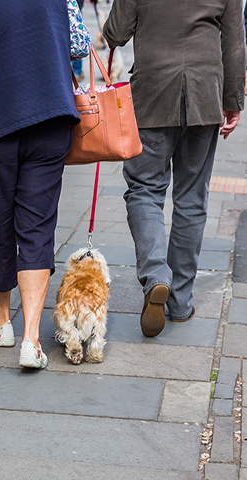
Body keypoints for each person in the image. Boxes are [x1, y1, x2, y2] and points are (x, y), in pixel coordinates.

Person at [0, 0, 90, 368]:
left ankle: (1, 323)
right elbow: (78, 42)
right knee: (37, 227)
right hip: (49, 115)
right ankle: (31, 341)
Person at [103, 0, 246, 337]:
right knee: (192, 197)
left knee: (143, 189)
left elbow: (116, 33)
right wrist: (232, 102)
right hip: (204, 92)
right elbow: (234, 41)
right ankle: (180, 301)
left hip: (152, 92)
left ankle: (156, 275)